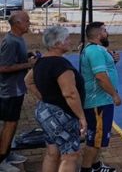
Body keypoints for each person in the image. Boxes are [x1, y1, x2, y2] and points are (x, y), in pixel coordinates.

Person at [25, 26, 86, 172]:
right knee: (70, 155)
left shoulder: (41, 61)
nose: (70, 41)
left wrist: (44, 98)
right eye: (67, 39)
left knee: (52, 152)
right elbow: (70, 93)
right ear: (58, 43)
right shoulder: (60, 65)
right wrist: (81, 117)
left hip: (45, 112)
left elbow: (28, 80)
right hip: (61, 115)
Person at [79, 21, 121, 172]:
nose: (106, 33)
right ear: (98, 35)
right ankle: (86, 169)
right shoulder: (95, 51)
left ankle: (95, 166)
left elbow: (103, 70)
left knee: (98, 138)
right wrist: (114, 95)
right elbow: (100, 76)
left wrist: (113, 61)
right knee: (94, 140)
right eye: (104, 31)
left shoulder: (96, 50)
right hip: (98, 102)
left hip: (101, 101)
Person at [0, 11, 36, 172]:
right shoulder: (10, 42)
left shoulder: (18, 39)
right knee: (9, 124)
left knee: (13, 123)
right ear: (17, 24)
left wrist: (27, 56)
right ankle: (1, 159)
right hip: (9, 91)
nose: (29, 23)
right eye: (26, 21)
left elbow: (14, 60)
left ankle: (7, 152)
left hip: (17, 89)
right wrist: (28, 65)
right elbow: (3, 67)